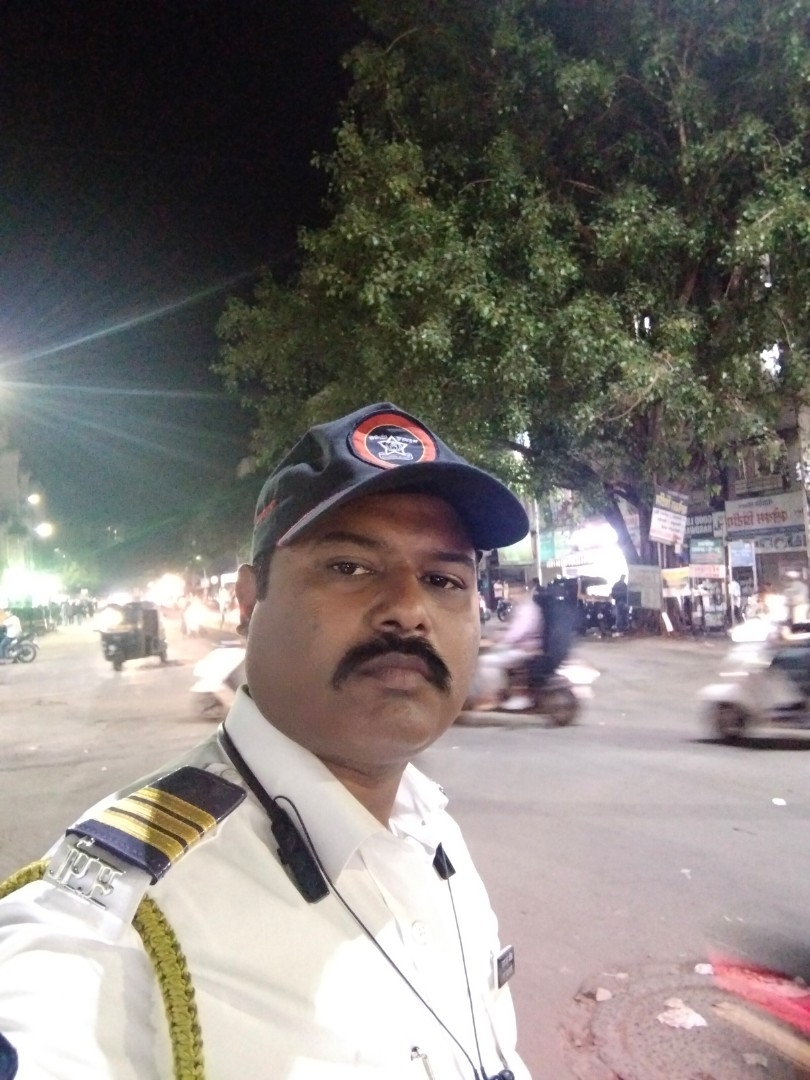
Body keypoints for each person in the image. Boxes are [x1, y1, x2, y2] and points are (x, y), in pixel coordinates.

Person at [0, 402, 531, 1080]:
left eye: (443, 580)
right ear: (250, 600)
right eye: (350, 567)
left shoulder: (431, 830)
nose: (408, 608)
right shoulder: (122, 928)